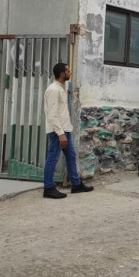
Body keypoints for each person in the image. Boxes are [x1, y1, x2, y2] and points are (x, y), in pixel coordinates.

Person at [43, 63, 93, 199]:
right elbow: (52, 115)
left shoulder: (61, 88)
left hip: (65, 129)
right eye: (68, 71)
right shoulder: (54, 90)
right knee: (52, 158)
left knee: (71, 156)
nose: (70, 73)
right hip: (57, 131)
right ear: (61, 74)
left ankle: (76, 184)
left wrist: (67, 92)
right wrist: (60, 134)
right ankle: (48, 188)